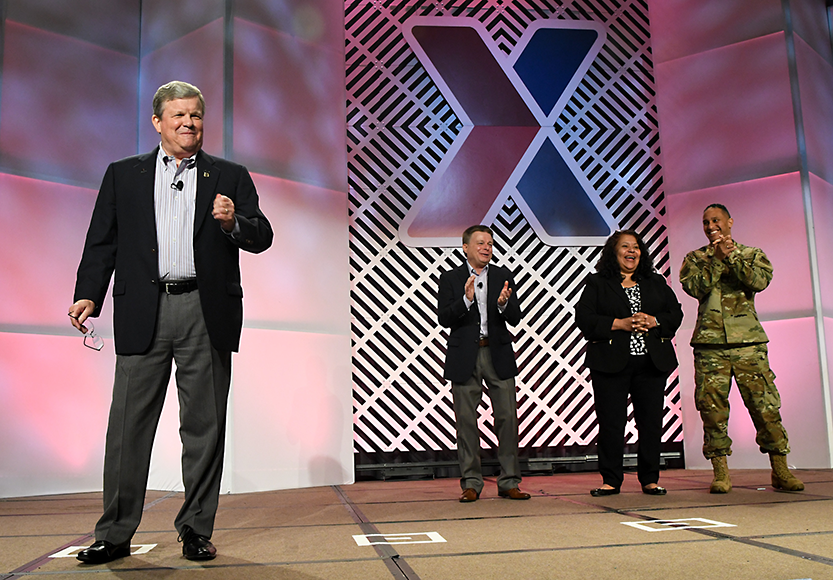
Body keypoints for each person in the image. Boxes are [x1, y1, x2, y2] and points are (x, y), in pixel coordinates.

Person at [68, 81, 273, 563]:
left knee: (205, 426)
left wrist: (231, 223)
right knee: (127, 428)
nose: (189, 123)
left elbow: (261, 235)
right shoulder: (124, 175)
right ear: (158, 122)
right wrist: (87, 295)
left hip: (205, 310)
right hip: (145, 308)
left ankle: (196, 529)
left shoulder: (230, 175)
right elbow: (102, 241)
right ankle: (115, 533)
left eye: (197, 115)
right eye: (179, 115)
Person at [679, 203, 803, 493]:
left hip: (749, 345)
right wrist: (717, 261)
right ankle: (721, 473)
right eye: (706, 222)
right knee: (712, 410)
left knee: (765, 407)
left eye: (716, 220)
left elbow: (758, 281)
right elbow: (694, 288)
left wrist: (730, 257)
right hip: (710, 347)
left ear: (730, 222)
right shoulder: (695, 258)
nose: (711, 226)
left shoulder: (751, 254)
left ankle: (780, 470)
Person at [575, 230, 683, 497]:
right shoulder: (598, 282)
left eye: (636, 247)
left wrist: (654, 321)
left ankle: (650, 479)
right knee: (611, 423)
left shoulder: (655, 282)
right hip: (610, 363)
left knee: (650, 423)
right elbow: (584, 319)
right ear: (614, 252)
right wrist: (618, 324)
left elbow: (675, 314)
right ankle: (611, 480)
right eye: (625, 246)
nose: (631, 251)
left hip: (650, 363)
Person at [437, 225, 530, 502]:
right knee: (466, 421)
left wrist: (503, 304)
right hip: (465, 355)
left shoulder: (503, 276)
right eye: (480, 243)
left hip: (497, 352)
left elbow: (515, 317)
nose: (486, 248)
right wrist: (465, 300)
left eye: (489, 243)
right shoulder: (451, 278)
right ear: (465, 247)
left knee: (507, 419)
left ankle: (509, 481)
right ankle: (471, 483)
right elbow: (444, 318)